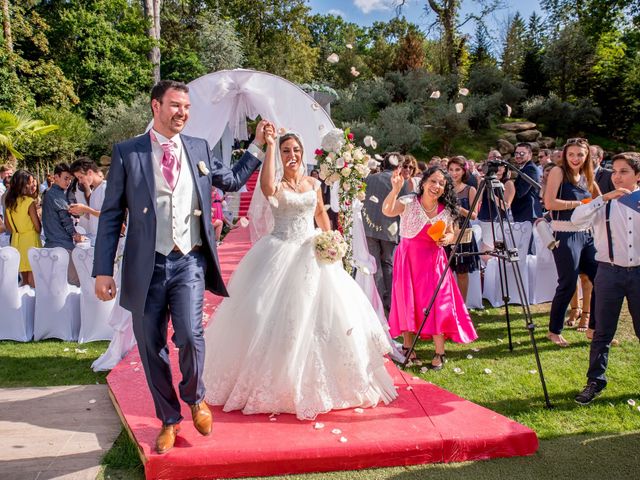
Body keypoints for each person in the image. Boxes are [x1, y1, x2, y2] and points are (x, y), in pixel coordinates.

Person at [92, 80, 268, 454]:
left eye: (186, 107)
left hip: (188, 260)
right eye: (175, 105)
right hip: (146, 266)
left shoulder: (198, 148)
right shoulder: (128, 153)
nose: (182, 113)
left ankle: (195, 396)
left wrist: (257, 146)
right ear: (155, 106)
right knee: (150, 346)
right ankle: (169, 419)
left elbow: (233, 180)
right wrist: (102, 270)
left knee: (190, 335)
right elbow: (110, 216)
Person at [202, 129, 397, 419]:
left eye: (295, 150)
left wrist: (331, 240)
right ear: (280, 156)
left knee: (328, 316)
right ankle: (275, 381)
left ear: (302, 153)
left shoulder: (313, 183)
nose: (292, 156)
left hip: (313, 252)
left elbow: (320, 213)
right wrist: (269, 146)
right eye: (286, 151)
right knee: (264, 315)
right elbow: (267, 188)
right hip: (279, 251)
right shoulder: (277, 184)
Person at [383, 166, 478, 369]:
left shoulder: (447, 209)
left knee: (436, 303)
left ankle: (439, 352)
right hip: (408, 258)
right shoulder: (408, 202)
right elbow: (387, 210)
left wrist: (448, 238)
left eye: (442, 183)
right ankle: (409, 347)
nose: (436, 186)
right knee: (408, 301)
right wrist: (395, 189)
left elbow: (453, 233)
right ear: (424, 182)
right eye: (433, 181)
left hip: (434, 261)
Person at [572, 152, 640, 405]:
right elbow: (578, 218)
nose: (617, 176)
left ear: (637, 176)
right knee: (602, 332)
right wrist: (603, 198)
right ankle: (595, 382)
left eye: (624, 171)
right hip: (609, 273)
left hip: (639, 273)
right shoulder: (603, 204)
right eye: (615, 171)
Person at [543, 138, 600, 347]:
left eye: (580, 154)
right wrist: (580, 204)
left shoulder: (587, 176)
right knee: (567, 283)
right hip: (565, 235)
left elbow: (599, 201)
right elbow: (549, 203)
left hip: (587, 235)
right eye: (572, 154)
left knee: (599, 280)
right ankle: (553, 330)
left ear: (587, 157)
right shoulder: (559, 172)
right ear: (565, 156)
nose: (576, 158)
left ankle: (594, 328)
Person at [361, 153, 409, 311]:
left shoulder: (369, 178)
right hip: (390, 227)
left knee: (374, 263)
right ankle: (390, 300)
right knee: (388, 263)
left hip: (369, 226)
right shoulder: (402, 183)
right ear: (399, 166)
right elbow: (404, 207)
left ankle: (377, 299)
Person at [41, 162, 83, 286]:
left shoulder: (51, 193)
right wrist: (75, 235)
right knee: (76, 283)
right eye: (66, 178)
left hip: (52, 243)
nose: (68, 181)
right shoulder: (56, 194)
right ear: (56, 177)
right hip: (62, 247)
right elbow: (65, 219)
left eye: (70, 179)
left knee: (57, 285)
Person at [446, 156, 480, 300]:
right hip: (446, 232)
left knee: (462, 272)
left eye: (457, 170)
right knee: (444, 272)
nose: (454, 173)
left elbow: (474, 215)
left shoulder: (470, 189)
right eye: (451, 170)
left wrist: (458, 208)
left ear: (463, 171)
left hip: (463, 233)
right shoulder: (443, 189)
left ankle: (462, 306)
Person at [3, 170, 42, 287]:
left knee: (24, 281)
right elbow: (38, 228)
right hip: (30, 240)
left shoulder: (9, 202)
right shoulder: (29, 202)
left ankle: (24, 305)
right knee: (34, 280)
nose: (32, 185)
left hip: (16, 241)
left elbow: (8, 227)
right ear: (23, 185)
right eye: (30, 183)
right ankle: (35, 305)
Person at [69, 158, 106, 246]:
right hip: (96, 239)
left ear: (89, 172)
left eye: (80, 177)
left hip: (105, 239)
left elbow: (107, 215)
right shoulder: (94, 192)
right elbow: (93, 216)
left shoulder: (105, 188)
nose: (80, 181)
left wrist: (85, 208)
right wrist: (81, 212)